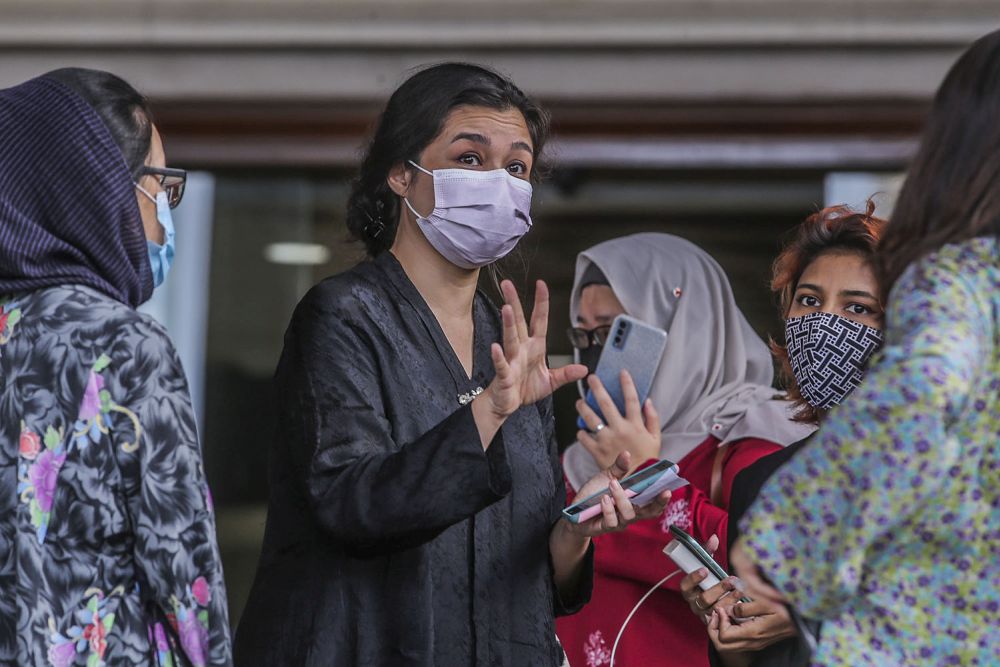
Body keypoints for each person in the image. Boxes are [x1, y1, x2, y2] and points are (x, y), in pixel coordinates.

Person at [233, 63, 670, 667]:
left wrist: (576, 527)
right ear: (401, 175)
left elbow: (525, 571)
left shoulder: (509, 339)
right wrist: (488, 409)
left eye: (515, 167)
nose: (498, 182)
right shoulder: (343, 316)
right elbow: (350, 505)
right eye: (470, 158)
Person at [731, 29, 1000, 666]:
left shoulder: (964, 279)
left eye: (859, 308)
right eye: (808, 300)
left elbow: (922, 391)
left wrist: (785, 537)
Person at [0, 70, 232, 665]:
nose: (162, 213)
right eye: (160, 184)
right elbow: (184, 577)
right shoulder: (122, 345)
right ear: (98, 188)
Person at [556, 234, 815, 667]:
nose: (596, 354)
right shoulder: (584, 457)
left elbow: (773, 572)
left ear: (683, 329)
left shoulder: (752, 442)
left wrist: (644, 473)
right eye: (583, 335)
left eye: (614, 331)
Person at [672, 203, 886, 667]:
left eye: (857, 307)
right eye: (809, 301)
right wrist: (730, 624)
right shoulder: (763, 481)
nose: (825, 323)